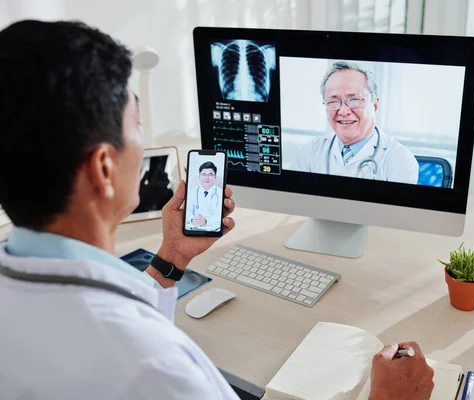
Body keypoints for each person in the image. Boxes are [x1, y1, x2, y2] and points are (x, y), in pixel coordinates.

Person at [0, 20, 434, 399]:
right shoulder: (154, 365)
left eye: (354, 99)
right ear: (103, 166)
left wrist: (171, 260)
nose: (343, 110)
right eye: (137, 125)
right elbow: (127, 347)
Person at [295, 61, 419, 184]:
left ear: (374, 105)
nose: (343, 111)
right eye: (333, 101)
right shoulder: (311, 151)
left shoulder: (399, 160)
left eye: (354, 99)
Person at [186, 161, 223, 231]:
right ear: (199, 177)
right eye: (204, 174)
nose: (207, 177)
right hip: (194, 228)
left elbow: (220, 216)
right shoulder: (192, 192)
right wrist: (191, 219)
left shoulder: (220, 193)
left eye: (210, 174)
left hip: (212, 229)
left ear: (215, 177)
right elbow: (187, 212)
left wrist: (206, 221)